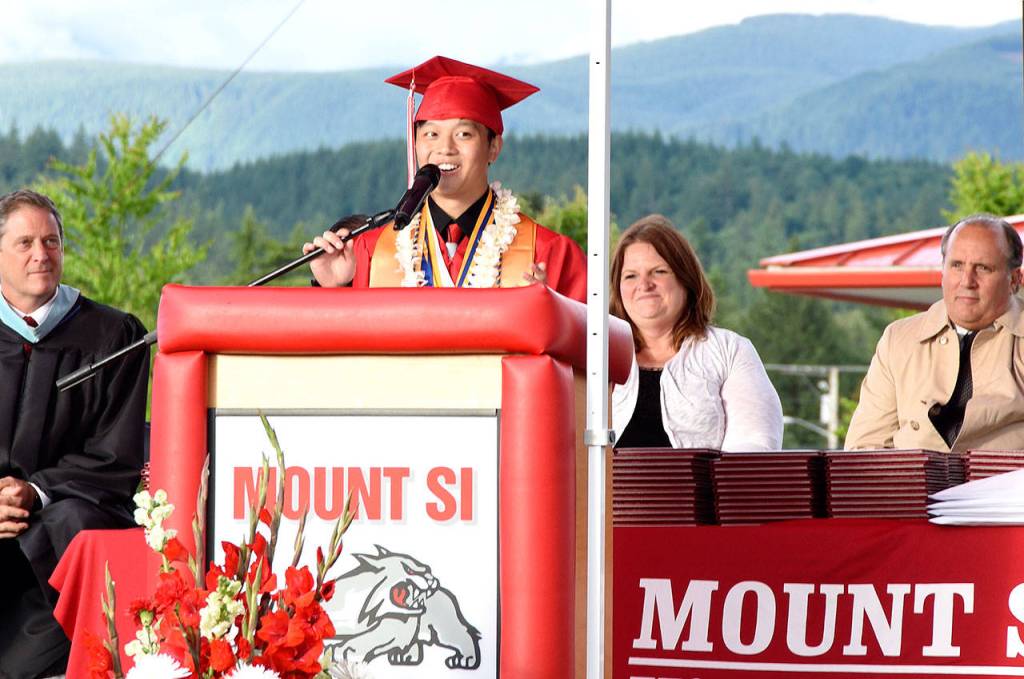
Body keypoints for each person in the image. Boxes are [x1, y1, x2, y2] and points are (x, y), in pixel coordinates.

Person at [0, 189, 148, 678]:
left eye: (52, 241)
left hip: (54, 556)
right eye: (24, 243)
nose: (41, 254)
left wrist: (35, 492)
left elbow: (115, 457)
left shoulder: (112, 336)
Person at [303, 56, 586, 302]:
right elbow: (350, 351)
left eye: (464, 134)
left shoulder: (550, 253)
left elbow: (594, 356)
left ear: (493, 147)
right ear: (415, 144)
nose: (445, 148)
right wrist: (334, 287)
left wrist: (554, 315)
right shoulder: (374, 251)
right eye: (431, 134)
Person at [845, 213, 1024, 452]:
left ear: (1014, 279)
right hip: (909, 486)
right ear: (942, 271)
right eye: (957, 265)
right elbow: (865, 447)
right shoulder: (898, 340)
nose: (967, 281)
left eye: (983, 268)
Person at [610, 215, 783, 451]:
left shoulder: (730, 351)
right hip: (608, 490)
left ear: (686, 279)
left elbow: (754, 446)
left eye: (659, 272)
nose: (644, 284)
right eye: (630, 275)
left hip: (705, 489)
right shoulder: (594, 357)